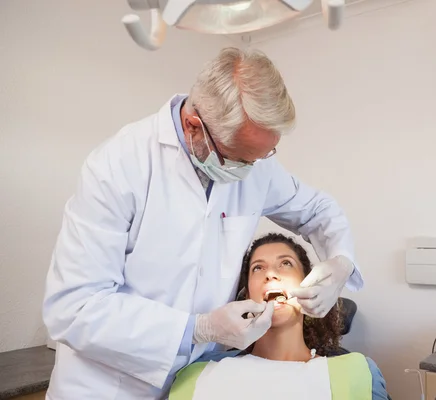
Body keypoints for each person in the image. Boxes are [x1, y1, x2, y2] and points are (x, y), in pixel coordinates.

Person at [42, 47, 363, 399]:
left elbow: (318, 209)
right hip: (108, 385)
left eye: (262, 156)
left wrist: (341, 261)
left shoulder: (255, 166)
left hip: (202, 382)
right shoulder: (118, 166)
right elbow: (74, 307)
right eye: (241, 159)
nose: (252, 170)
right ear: (194, 126)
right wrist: (198, 329)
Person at [168, 233, 388, 400]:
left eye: (285, 263)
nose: (270, 274)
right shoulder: (197, 372)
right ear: (246, 294)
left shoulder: (356, 371)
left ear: (312, 284)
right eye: (257, 268)